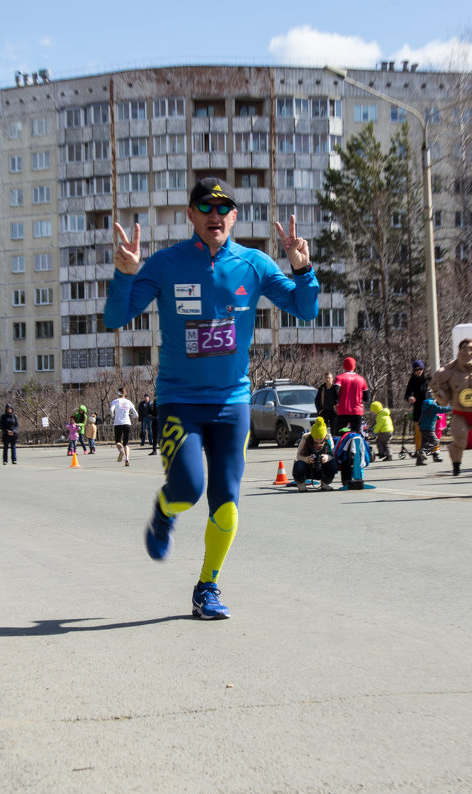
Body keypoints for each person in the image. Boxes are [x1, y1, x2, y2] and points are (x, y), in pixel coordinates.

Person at [104, 176, 319, 620]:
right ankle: (165, 512)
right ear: (190, 215)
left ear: (234, 216)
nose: (215, 215)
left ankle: (207, 586)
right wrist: (124, 276)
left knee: (226, 502)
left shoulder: (254, 264)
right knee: (187, 488)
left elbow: (305, 308)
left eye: (223, 208)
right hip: (180, 399)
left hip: (232, 402)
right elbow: (115, 316)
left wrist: (303, 270)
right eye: (205, 207)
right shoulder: (166, 264)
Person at [432, 338, 472, 476]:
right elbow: (444, 398)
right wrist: (438, 392)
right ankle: (456, 467)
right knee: (459, 440)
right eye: (464, 349)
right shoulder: (448, 372)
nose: (468, 352)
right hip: (460, 412)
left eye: (471, 349)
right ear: (459, 351)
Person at [404, 359, 442, 459]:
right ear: (413, 371)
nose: (418, 371)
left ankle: (436, 452)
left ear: (423, 369)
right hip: (418, 410)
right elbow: (407, 394)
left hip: (429, 411)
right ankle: (419, 452)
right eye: (416, 370)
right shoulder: (412, 381)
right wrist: (410, 398)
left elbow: (436, 391)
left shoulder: (428, 379)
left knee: (432, 433)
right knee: (419, 433)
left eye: (420, 369)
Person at [292, 416, 337, 492]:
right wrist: (307, 459)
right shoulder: (305, 438)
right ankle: (301, 484)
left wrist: (327, 457)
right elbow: (298, 456)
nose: (318, 441)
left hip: (323, 467)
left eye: (320, 439)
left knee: (333, 463)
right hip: (308, 466)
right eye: (316, 438)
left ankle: (325, 483)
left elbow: (332, 455)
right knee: (298, 465)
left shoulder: (328, 438)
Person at [333, 357, 370, 434]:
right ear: (354, 366)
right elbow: (367, 397)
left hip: (343, 411)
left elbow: (335, 391)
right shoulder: (361, 379)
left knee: (338, 435)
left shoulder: (339, 378)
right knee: (356, 435)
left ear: (343, 366)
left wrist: (336, 403)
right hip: (357, 411)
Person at [415, 390, 452, 466]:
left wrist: (437, 417)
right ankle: (424, 452)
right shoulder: (433, 405)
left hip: (423, 428)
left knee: (424, 443)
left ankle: (419, 461)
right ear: (434, 397)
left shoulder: (425, 405)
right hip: (429, 428)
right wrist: (451, 407)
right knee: (435, 441)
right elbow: (442, 409)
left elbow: (427, 415)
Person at [110, 387, 138, 467]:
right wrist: (130, 415)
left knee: (118, 441)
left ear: (118, 393)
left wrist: (113, 416)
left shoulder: (115, 401)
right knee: (126, 443)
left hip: (118, 423)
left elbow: (111, 410)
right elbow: (136, 415)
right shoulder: (128, 402)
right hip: (127, 423)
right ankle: (127, 458)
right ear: (125, 393)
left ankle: (121, 451)